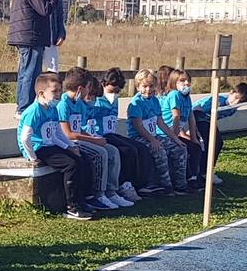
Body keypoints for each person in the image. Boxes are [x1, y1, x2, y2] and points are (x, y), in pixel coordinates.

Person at [19, 69, 94, 220]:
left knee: (82, 158)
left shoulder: (52, 109)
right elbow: (25, 138)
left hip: (49, 145)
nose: (59, 94)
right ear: (41, 94)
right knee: (70, 164)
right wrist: (32, 157)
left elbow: (56, 133)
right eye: (55, 91)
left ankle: (81, 200)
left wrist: (69, 147)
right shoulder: (34, 111)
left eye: (60, 90)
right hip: (39, 148)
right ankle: (71, 206)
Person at [58, 68, 126, 209]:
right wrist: (94, 141)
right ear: (80, 89)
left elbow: (80, 128)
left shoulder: (80, 104)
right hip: (70, 141)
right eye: (88, 88)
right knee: (100, 153)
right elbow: (68, 134)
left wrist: (93, 137)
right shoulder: (63, 104)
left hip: (80, 138)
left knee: (112, 150)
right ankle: (97, 194)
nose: (89, 92)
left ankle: (111, 191)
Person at [127, 69, 189, 194]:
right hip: (140, 137)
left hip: (153, 135)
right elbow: (138, 126)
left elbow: (160, 122)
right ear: (138, 86)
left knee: (180, 148)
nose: (148, 90)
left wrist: (174, 137)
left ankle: (180, 184)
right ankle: (165, 185)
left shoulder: (155, 101)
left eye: (151, 86)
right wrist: (152, 140)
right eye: (144, 86)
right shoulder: (136, 103)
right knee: (159, 151)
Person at [7, 0, 57, 111]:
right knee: (31, 72)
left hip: (22, 35)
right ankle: (25, 107)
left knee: (24, 72)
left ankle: (21, 104)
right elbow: (44, 9)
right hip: (31, 36)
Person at [97, 68, 154, 195]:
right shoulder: (96, 100)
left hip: (111, 133)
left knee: (141, 148)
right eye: (112, 91)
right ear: (104, 84)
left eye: (117, 92)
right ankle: (123, 184)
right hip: (101, 134)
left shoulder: (115, 100)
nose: (114, 94)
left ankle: (141, 184)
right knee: (127, 150)